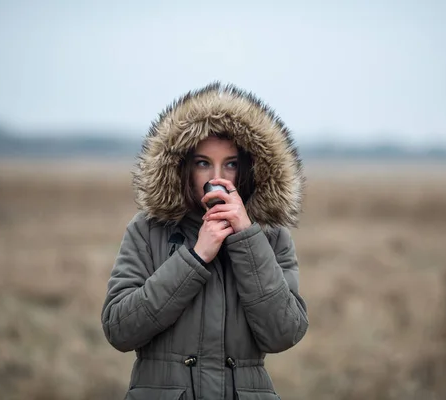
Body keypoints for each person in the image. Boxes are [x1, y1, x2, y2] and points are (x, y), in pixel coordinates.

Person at [101, 82, 309, 400]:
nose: (218, 178)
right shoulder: (148, 229)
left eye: (230, 164)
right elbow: (119, 329)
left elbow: (284, 333)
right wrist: (195, 258)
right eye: (203, 163)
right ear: (183, 167)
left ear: (250, 168)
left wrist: (247, 238)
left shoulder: (271, 235)